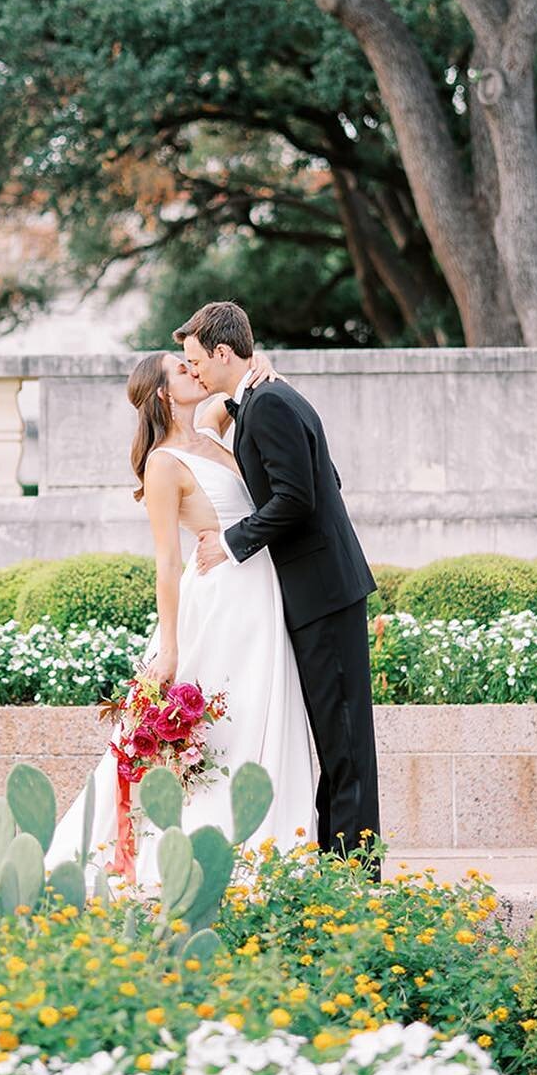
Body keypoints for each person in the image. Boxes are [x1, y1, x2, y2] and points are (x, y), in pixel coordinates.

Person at [47, 342, 317, 880]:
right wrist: (169, 648)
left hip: (260, 592)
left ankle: (270, 844)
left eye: (192, 361)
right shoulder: (163, 463)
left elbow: (243, 379)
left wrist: (263, 366)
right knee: (226, 722)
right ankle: (186, 853)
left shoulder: (214, 427)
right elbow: (167, 562)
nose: (194, 369)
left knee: (264, 709)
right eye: (181, 368)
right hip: (217, 602)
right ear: (165, 394)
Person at [177, 300, 380, 859]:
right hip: (316, 592)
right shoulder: (264, 400)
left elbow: (299, 496)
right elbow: (323, 476)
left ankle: (356, 876)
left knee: (344, 744)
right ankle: (338, 863)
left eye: (195, 359)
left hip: (324, 593)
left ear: (222, 353)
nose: (191, 369)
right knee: (336, 741)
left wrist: (229, 541)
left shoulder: (268, 403)